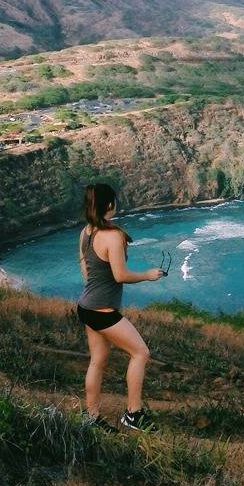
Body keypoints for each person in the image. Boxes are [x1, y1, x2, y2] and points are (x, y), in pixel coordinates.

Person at [77, 182, 164, 430]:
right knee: (140, 353)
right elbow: (120, 275)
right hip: (102, 311)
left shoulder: (86, 231)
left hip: (86, 305)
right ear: (109, 205)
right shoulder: (112, 236)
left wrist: (95, 289)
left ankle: (92, 417)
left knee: (98, 360)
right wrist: (148, 275)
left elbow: (85, 267)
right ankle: (133, 414)